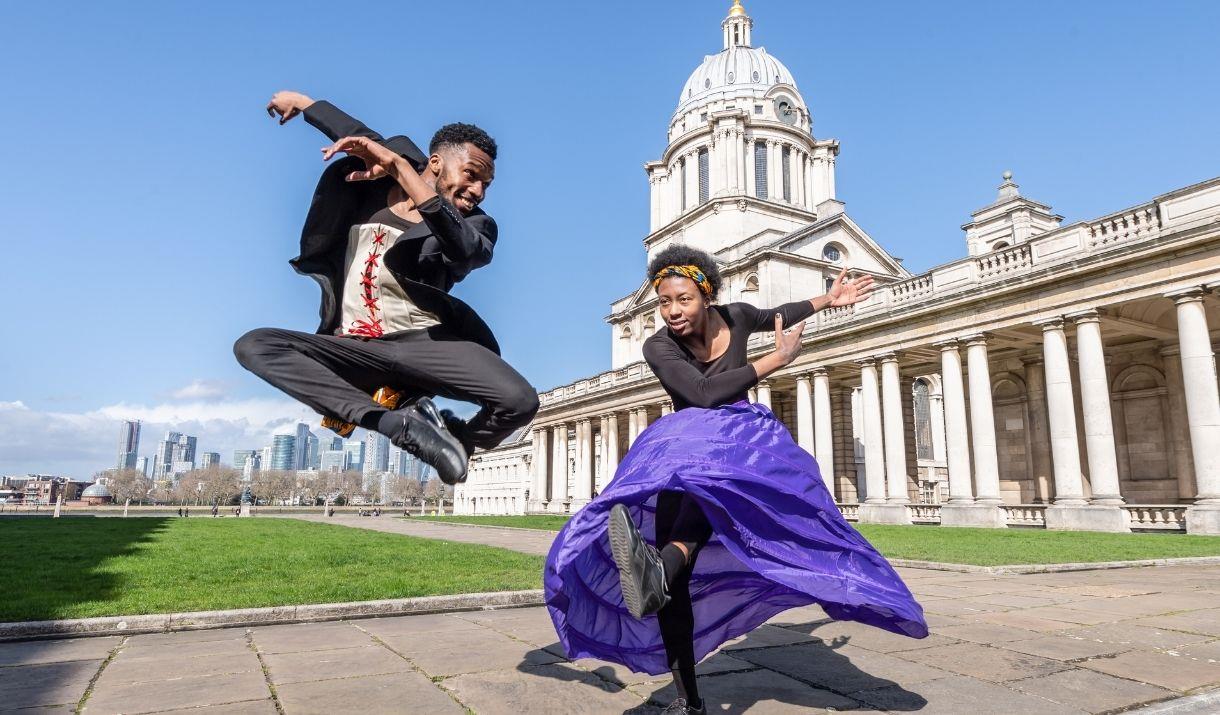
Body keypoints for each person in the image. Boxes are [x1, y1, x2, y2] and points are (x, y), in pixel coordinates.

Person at [545, 245, 928, 715]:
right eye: (663, 302)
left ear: (705, 294)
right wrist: (777, 361)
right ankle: (687, 693)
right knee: (673, 589)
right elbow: (702, 393)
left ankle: (662, 567)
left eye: (682, 299)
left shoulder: (740, 317)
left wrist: (827, 301)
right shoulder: (658, 345)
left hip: (741, 449)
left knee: (712, 495)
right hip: (686, 448)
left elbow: (779, 313)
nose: (672, 311)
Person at [235, 91, 539, 485]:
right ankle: (396, 426)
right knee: (254, 345)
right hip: (357, 348)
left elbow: (463, 250)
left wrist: (402, 172)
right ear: (435, 163)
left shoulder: (477, 226)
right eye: (471, 175)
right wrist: (304, 103)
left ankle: (453, 439)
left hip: (427, 343)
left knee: (520, 401)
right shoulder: (379, 179)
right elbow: (356, 133)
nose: (478, 191)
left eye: (486, 183)